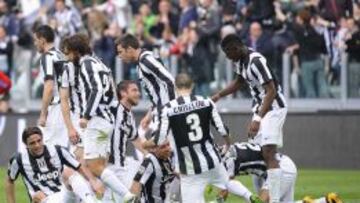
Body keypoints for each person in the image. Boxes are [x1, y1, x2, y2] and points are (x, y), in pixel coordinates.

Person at [212, 34, 287, 203]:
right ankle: (262, 195)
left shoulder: (256, 61)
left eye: (227, 52)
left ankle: (274, 198)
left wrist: (258, 119)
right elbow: (240, 82)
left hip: (274, 108)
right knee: (257, 152)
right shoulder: (239, 61)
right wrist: (219, 95)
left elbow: (271, 91)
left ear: (235, 48)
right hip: (260, 107)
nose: (226, 56)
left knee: (268, 151)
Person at [61, 34, 135, 202]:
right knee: (96, 166)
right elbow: (111, 90)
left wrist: (86, 116)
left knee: (93, 166)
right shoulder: (99, 63)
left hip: (96, 120)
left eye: (68, 53)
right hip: (106, 118)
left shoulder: (86, 64)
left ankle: (127, 195)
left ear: (75, 51)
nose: (67, 57)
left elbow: (96, 90)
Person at [143, 73, 231, 203]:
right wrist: (228, 143)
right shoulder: (206, 102)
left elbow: (159, 139)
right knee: (228, 187)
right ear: (193, 85)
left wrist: (144, 144)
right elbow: (223, 129)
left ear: (175, 87)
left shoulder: (168, 108)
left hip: (188, 166)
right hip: (211, 160)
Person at [5, 127, 103, 203]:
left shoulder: (57, 150)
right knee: (37, 196)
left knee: (68, 172)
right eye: (32, 143)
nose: (37, 145)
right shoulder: (19, 159)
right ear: (26, 144)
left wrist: (93, 181)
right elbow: (9, 181)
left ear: (42, 138)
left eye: (39, 141)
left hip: (64, 195)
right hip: (45, 199)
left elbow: (79, 167)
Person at [223, 142, 342, 203]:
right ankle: (327, 201)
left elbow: (225, 187)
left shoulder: (224, 161)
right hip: (283, 165)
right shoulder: (227, 149)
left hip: (280, 169)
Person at [115, 33, 176, 131]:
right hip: (161, 111)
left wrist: (171, 109)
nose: (119, 56)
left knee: (155, 145)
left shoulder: (146, 60)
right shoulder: (142, 62)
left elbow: (169, 80)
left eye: (120, 52)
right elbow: (157, 93)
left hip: (166, 113)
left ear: (130, 49)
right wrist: (149, 115)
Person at [103, 80, 147, 202]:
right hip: (107, 166)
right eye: (134, 90)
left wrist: (148, 154)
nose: (138, 93)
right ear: (123, 93)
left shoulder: (129, 115)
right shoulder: (112, 108)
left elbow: (135, 138)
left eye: (138, 90)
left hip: (120, 167)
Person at [33, 25, 68, 147]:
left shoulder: (47, 57)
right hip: (68, 105)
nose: (35, 43)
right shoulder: (61, 55)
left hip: (57, 107)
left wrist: (43, 113)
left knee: (49, 146)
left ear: (42, 40)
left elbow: (49, 86)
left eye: (36, 40)